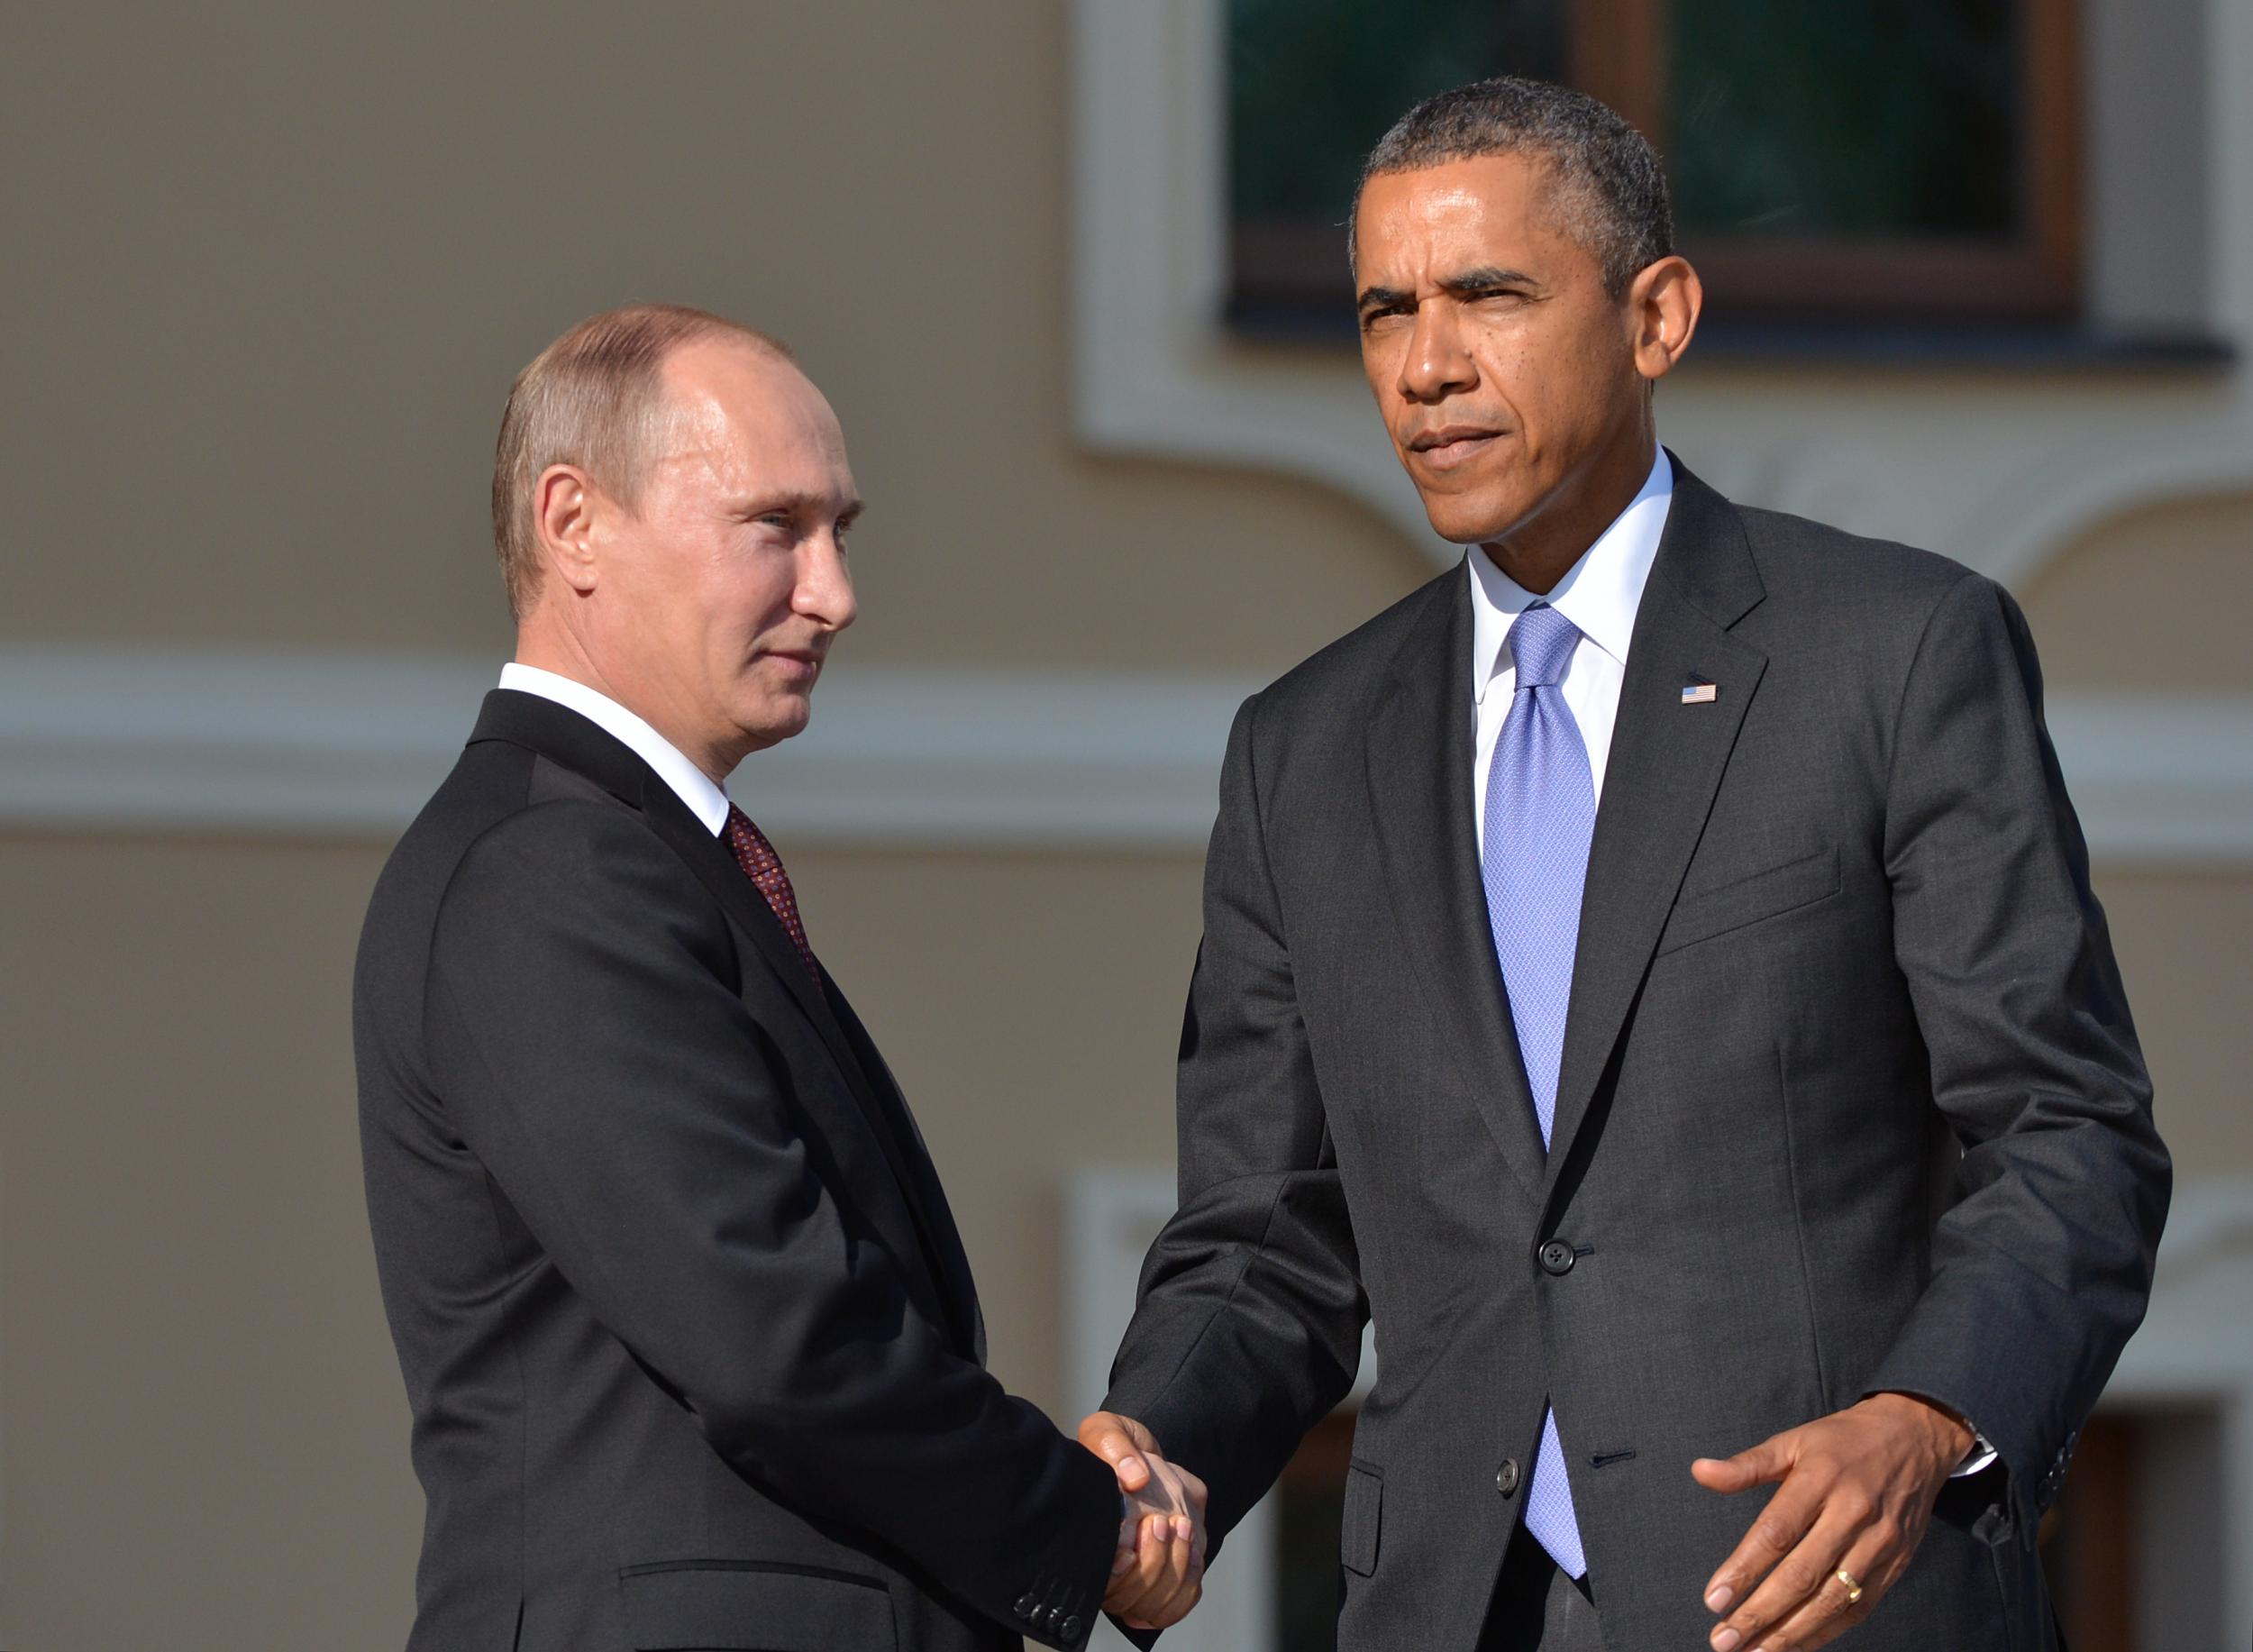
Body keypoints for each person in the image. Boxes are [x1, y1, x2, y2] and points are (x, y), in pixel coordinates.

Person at [1080, 78, 2167, 1651]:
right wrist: (1152, 1454)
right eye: (1386, 311)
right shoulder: (1299, 749)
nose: (1426, 365)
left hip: (1818, 1599)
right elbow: (1267, 1239)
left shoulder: (1895, 654)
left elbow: (2071, 1134)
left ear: (1657, 317)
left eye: (1489, 297)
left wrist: (1931, 1415)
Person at [354, 305, 1204, 1652]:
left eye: (841, 531)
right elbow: (776, 1332)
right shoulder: (549, 870)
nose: (835, 592)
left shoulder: (625, 855)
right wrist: (1083, 1521)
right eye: (775, 527)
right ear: (574, 523)